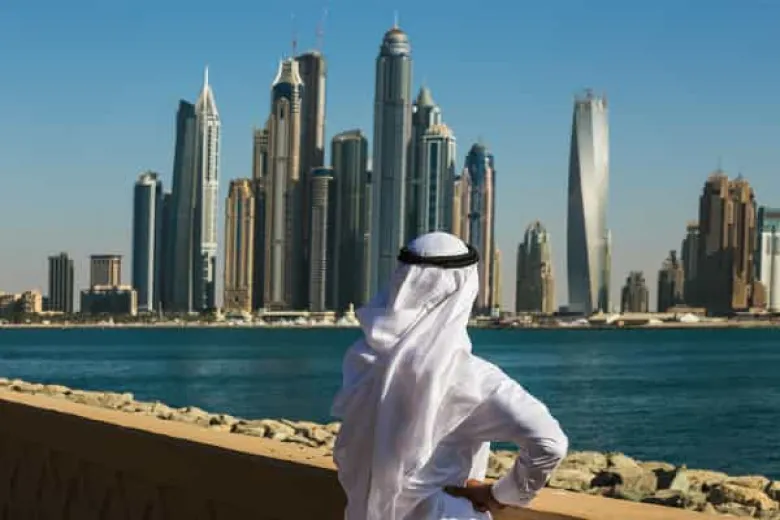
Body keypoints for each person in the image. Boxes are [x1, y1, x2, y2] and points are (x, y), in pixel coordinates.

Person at [332, 232, 568, 520]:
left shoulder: (364, 359)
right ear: (463, 289)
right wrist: (499, 495)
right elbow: (549, 443)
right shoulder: (471, 379)